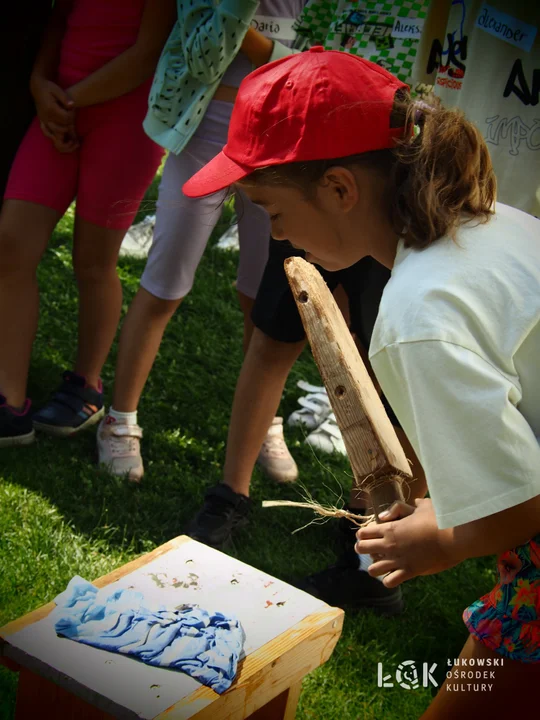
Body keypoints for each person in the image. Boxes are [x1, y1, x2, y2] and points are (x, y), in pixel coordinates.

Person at [182, 48, 540, 714]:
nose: (272, 228)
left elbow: (520, 505)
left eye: (269, 207)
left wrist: (441, 537)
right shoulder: (488, 226)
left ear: (341, 189)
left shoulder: (419, 316)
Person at [96, 0, 306, 483]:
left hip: (282, 135)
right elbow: (205, 54)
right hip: (206, 128)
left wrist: (264, 49)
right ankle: (119, 421)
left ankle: (264, 423)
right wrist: (270, 49)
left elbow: (325, 58)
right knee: (165, 282)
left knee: (263, 296)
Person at [0, 0, 176, 446]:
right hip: (56, 105)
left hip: (124, 119)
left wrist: (69, 100)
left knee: (93, 262)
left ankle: (86, 383)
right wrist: (41, 85)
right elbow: (58, 19)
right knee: (11, 245)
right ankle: (9, 402)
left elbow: (146, 52)